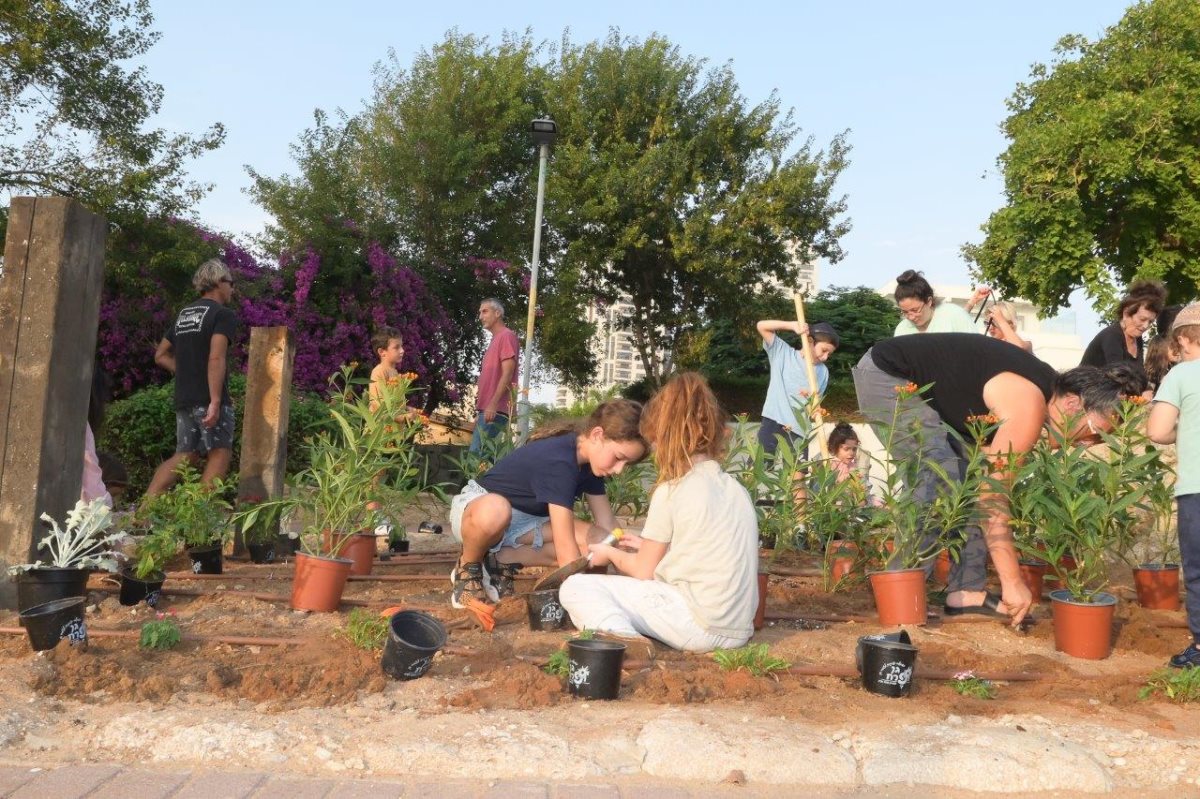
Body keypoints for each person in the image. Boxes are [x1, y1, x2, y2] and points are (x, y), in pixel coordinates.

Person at [853, 332, 1148, 627]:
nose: (1089, 444)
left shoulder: (1042, 390)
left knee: (966, 478)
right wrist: (1013, 582)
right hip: (888, 374)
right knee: (936, 475)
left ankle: (966, 591)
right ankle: (900, 590)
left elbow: (985, 479)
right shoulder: (1029, 405)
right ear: (1073, 403)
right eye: (1095, 431)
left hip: (926, 392)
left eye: (1100, 440)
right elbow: (992, 496)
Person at [558, 373, 758, 652]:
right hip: (738, 629)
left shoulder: (673, 490)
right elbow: (708, 547)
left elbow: (643, 571)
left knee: (577, 587)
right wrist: (655, 546)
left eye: (653, 444)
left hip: (699, 626)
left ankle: (623, 639)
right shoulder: (735, 489)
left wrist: (611, 555)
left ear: (664, 438)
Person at [448, 399, 646, 609]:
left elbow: (608, 525)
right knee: (495, 510)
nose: (619, 470)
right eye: (618, 458)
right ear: (597, 435)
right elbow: (564, 545)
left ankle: (499, 561)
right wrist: (582, 601)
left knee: (601, 540)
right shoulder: (559, 461)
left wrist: (634, 571)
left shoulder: (589, 464)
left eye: (626, 463)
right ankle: (467, 568)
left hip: (527, 523)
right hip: (479, 510)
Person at [145, 259, 238, 496]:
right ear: (218, 282)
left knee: (185, 455)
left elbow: (160, 355)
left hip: (184, 397)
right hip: (207, 397)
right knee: (220, 452)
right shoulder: (222, 314)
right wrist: (215, 401)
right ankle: (200, 520)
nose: (232, 289)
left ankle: (144, 511)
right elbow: (216, 358)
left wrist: (185, 371)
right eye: (231, 283)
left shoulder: (184, 314)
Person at [1147, 303, 1200, 668]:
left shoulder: (1182, 374)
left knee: (1198, 570)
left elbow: (1157, 430)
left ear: (1183, 338)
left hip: (1197, 489)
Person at [755, 318, 840, 454]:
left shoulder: (823, 371)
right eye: (823, 350)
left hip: (800, 427)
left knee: (798, 471)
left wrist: (815, 410)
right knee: (759, 467)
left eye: (829, 354)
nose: (825, 357)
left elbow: (814, 402)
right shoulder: (783, 353)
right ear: (810, 341)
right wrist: (791, 325)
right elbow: (761, 326)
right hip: (774, 419)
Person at [1080, 279, 1167, 369]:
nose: (1145, 326)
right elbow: (1117, 375)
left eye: (1150, 321)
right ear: (1126, 313)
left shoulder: (1137, 339)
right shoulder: (1112, 336)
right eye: (1142, 319)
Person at [470, 298, 519, 454]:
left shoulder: (506, 336)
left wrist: (493, 405)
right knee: (485, 459)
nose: (480, 316)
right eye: (479, 312)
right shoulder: (495, 340)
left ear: (497, 313)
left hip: (495, 410)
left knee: (475, 458)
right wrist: (482, 411)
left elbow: (508, 373)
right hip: (488, 411)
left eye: (485, 311)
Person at [892, 270, 986, 336]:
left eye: (915, 310)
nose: (911, 317)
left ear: (929, 301)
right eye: (905, 312)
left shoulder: (955, 316)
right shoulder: (902, 329)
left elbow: (976, 351)